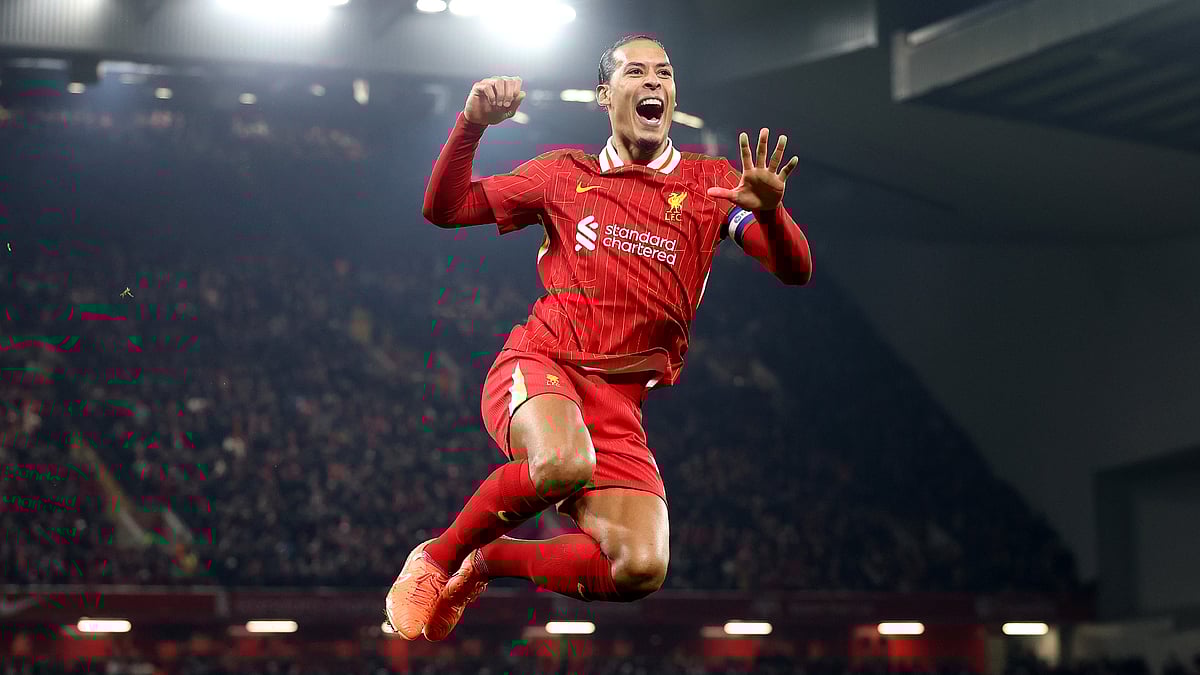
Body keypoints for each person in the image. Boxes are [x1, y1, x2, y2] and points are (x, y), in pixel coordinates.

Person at [385, 34, 812, 641]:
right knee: (562, 463)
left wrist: (770, 212)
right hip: (542, 364)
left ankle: (488, 560)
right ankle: (437, 558)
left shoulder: (710, 186)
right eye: (635, 73)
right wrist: (471, 126)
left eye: (664, 73)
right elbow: (445, 208)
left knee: (641, 566)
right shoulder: (563, 174)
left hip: (620, 403)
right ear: (604, 93)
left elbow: (796, 271)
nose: (653, 84)